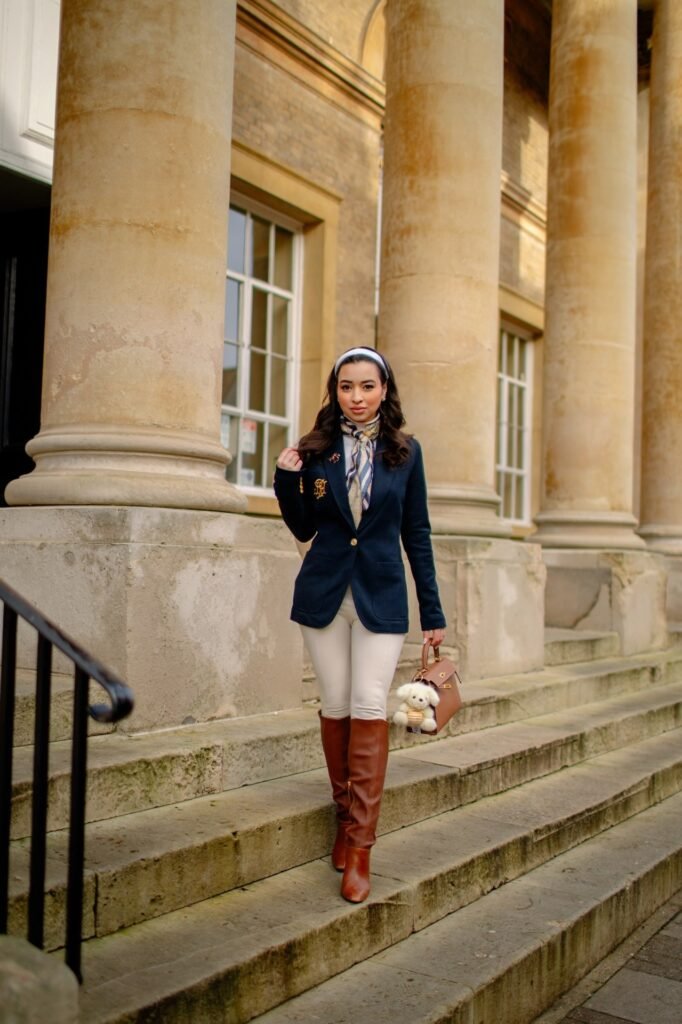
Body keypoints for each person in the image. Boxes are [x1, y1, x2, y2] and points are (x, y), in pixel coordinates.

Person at [274, 345, 446, 903]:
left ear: (384, 390)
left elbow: (416, 533)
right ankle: (344, 819)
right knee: (336, 705)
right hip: (324, 594)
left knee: (370, 704)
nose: (356, 396)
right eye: (346, 386)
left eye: (367, 386)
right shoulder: (315, 450)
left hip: (381, 595)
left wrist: (433, 613)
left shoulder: (406, 453)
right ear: (336, 391)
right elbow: (303, 527)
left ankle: (361, 847)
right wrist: (286, 480)